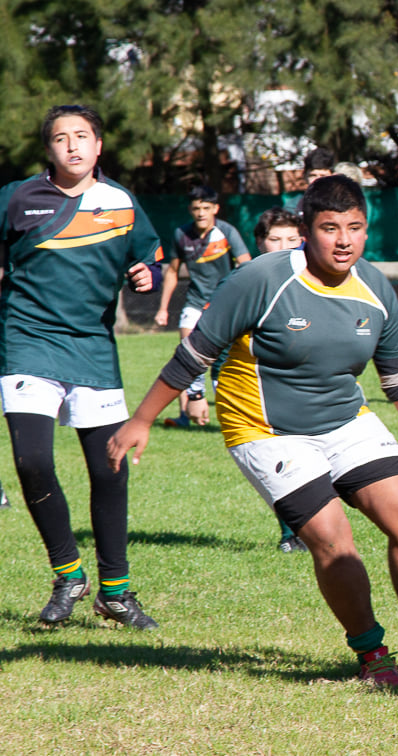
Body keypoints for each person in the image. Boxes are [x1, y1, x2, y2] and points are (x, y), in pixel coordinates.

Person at [108, 175, 398, 684]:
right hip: (266, 430)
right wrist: (143, 419)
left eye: (355, 227)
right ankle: (372, 655)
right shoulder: (261, 279)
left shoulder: (373, 286)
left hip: (345, 421)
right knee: (334, 539)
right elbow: (195, 352)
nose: (344, 240)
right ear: (306, 229)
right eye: (330, 228)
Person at [0, 104, 163, 629]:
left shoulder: (120, 202)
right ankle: (68, 573)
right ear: (47, 149)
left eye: (82, 136)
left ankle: (115, 592)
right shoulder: (16, 198)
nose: (72, 145)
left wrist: (146, 274)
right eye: (60, 138)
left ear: (98, 146)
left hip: (93, 347)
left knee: (108, 470)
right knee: (31, 462)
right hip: (27, 342)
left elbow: (149, 258)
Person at [155, 185, 251, 427]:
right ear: (190, 210)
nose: (200, 213)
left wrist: (239, 298)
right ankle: (189, 409)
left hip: (223, 303)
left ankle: (233, 413)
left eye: (206, 208)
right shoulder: (181, 234)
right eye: (196, 208)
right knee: (187, 343)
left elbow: (246, 265)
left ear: (215, 209)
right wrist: (163, 308)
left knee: (222, 360)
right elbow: (173, 272)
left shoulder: (227, 232)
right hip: (196, 301)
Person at [251, 205, 307, 553]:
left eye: (291, 238)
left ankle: (310, 530)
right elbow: (214, 339)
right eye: (275, 239)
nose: (283, 245)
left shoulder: (314, 278)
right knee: (283, 465)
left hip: (311, 385)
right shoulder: (248, 283)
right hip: (261, 389)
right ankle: (291, 534)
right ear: (260, 242)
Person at [285, 147, 335, 214]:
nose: (318, 180)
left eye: (323, 176)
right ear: (304, 176)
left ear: (333, 177)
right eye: (313, 175)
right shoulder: (294, 207)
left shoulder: (343, 204)